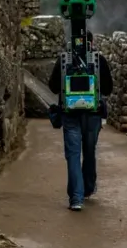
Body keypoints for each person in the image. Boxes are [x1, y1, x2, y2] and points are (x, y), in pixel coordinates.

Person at [48, 30, 114, 211]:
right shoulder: (99, 61)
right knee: (90, 151)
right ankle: (88, 188)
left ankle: (76, 199)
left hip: (70, 114)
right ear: (91, 43)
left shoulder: (64, 60)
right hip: (93, 115)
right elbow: (108, 88)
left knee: (73, 155)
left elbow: (53, 87)